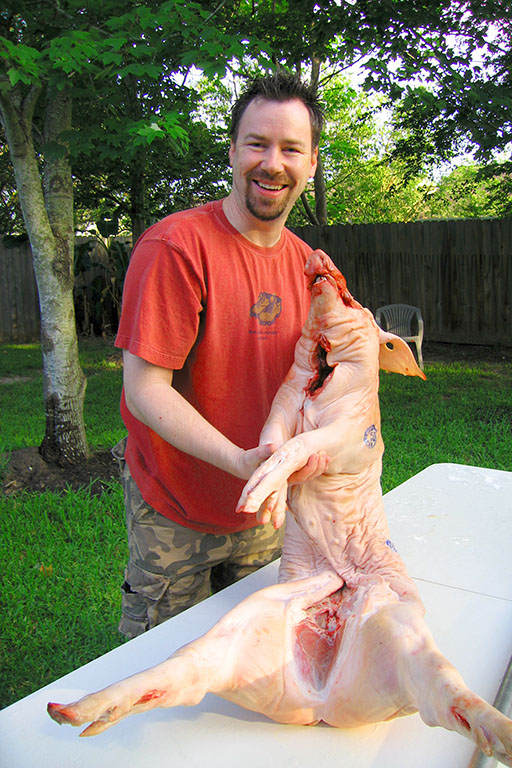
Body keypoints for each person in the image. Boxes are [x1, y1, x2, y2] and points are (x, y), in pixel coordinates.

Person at [113, 72, 325, 638]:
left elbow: (316, 384)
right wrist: (238, 461)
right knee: (164, 659)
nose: (272, 163)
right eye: (257, 144)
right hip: (175, 508)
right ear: (232, 151)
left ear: (311, 163)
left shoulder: (309, 267)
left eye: (291, 149)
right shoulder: (176, 247)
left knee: (255, 652)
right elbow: (145, 388)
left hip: (264, 507)